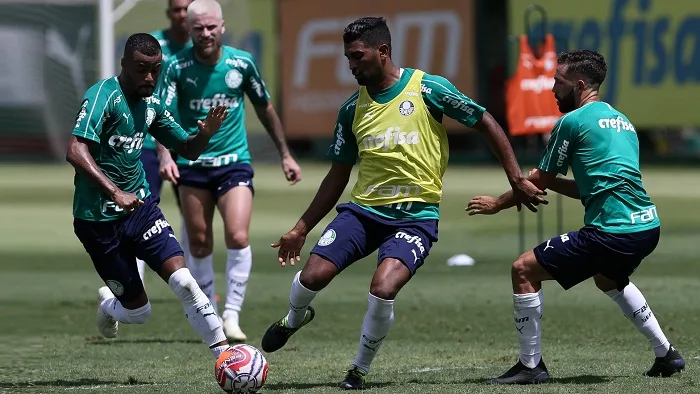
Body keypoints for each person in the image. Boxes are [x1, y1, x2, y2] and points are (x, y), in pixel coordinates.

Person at [260, 16, 545, 390]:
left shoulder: (428, 88)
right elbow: (337, 175)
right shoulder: (351, 110)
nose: (351, 65)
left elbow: (485, 121)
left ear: (383, 52)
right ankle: (295, 318)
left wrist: (515, 178)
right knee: (312, 277)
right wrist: (300, 228)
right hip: (363, 212)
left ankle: (358, 370)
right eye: (348, 57)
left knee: (383, 288)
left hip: (415, 219)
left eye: (358, 56)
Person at [466, 49, 685, 384]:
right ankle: (666, 354)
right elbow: (591, 187)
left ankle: (530, 367)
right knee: (607, 279)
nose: (552, 88)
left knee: (523, 269)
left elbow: (538, 181)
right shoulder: (622, 121)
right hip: (646, 226)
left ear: (580, 84)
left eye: (558, 82)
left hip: (613, 231)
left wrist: (498, 202)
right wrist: (547, 185)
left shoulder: (572, 122)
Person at [66, 33, 232, 363]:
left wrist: (205, 134)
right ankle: (110, 305)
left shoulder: (152, 106)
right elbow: (75, 149)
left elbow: (187, 149)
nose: (149, 78)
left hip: (140, 210)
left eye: (155, 70)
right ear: (125, 64)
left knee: (185, 282)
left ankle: (226, 357)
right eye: (142, 69)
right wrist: (115, 191)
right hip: (97, 222)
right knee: (139, 313)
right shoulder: (103, 96)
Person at [159, 0, 302, 343]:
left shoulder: (242, 63)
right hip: (192, 164)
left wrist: (285, 154)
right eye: (198, 29)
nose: (205, 34)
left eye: (211, 27)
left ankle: (232, 315)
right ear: (189, 30)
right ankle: (208, 312)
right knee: (199, 241)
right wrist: (165, 156)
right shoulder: (176, 66)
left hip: (233, 163)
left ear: (222, 26)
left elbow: (264, 107)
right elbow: (160, 115)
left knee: (237, 235)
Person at [135, 0, 195, 284]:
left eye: (187, 9)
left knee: (194, 218)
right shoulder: (152, 46)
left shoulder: (202, 47)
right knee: (137, 213)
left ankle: (194, 282)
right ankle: (132, 286)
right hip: (147, 143)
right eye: (177, 9)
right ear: (169, 13)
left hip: (186, 144)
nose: (181, 15)